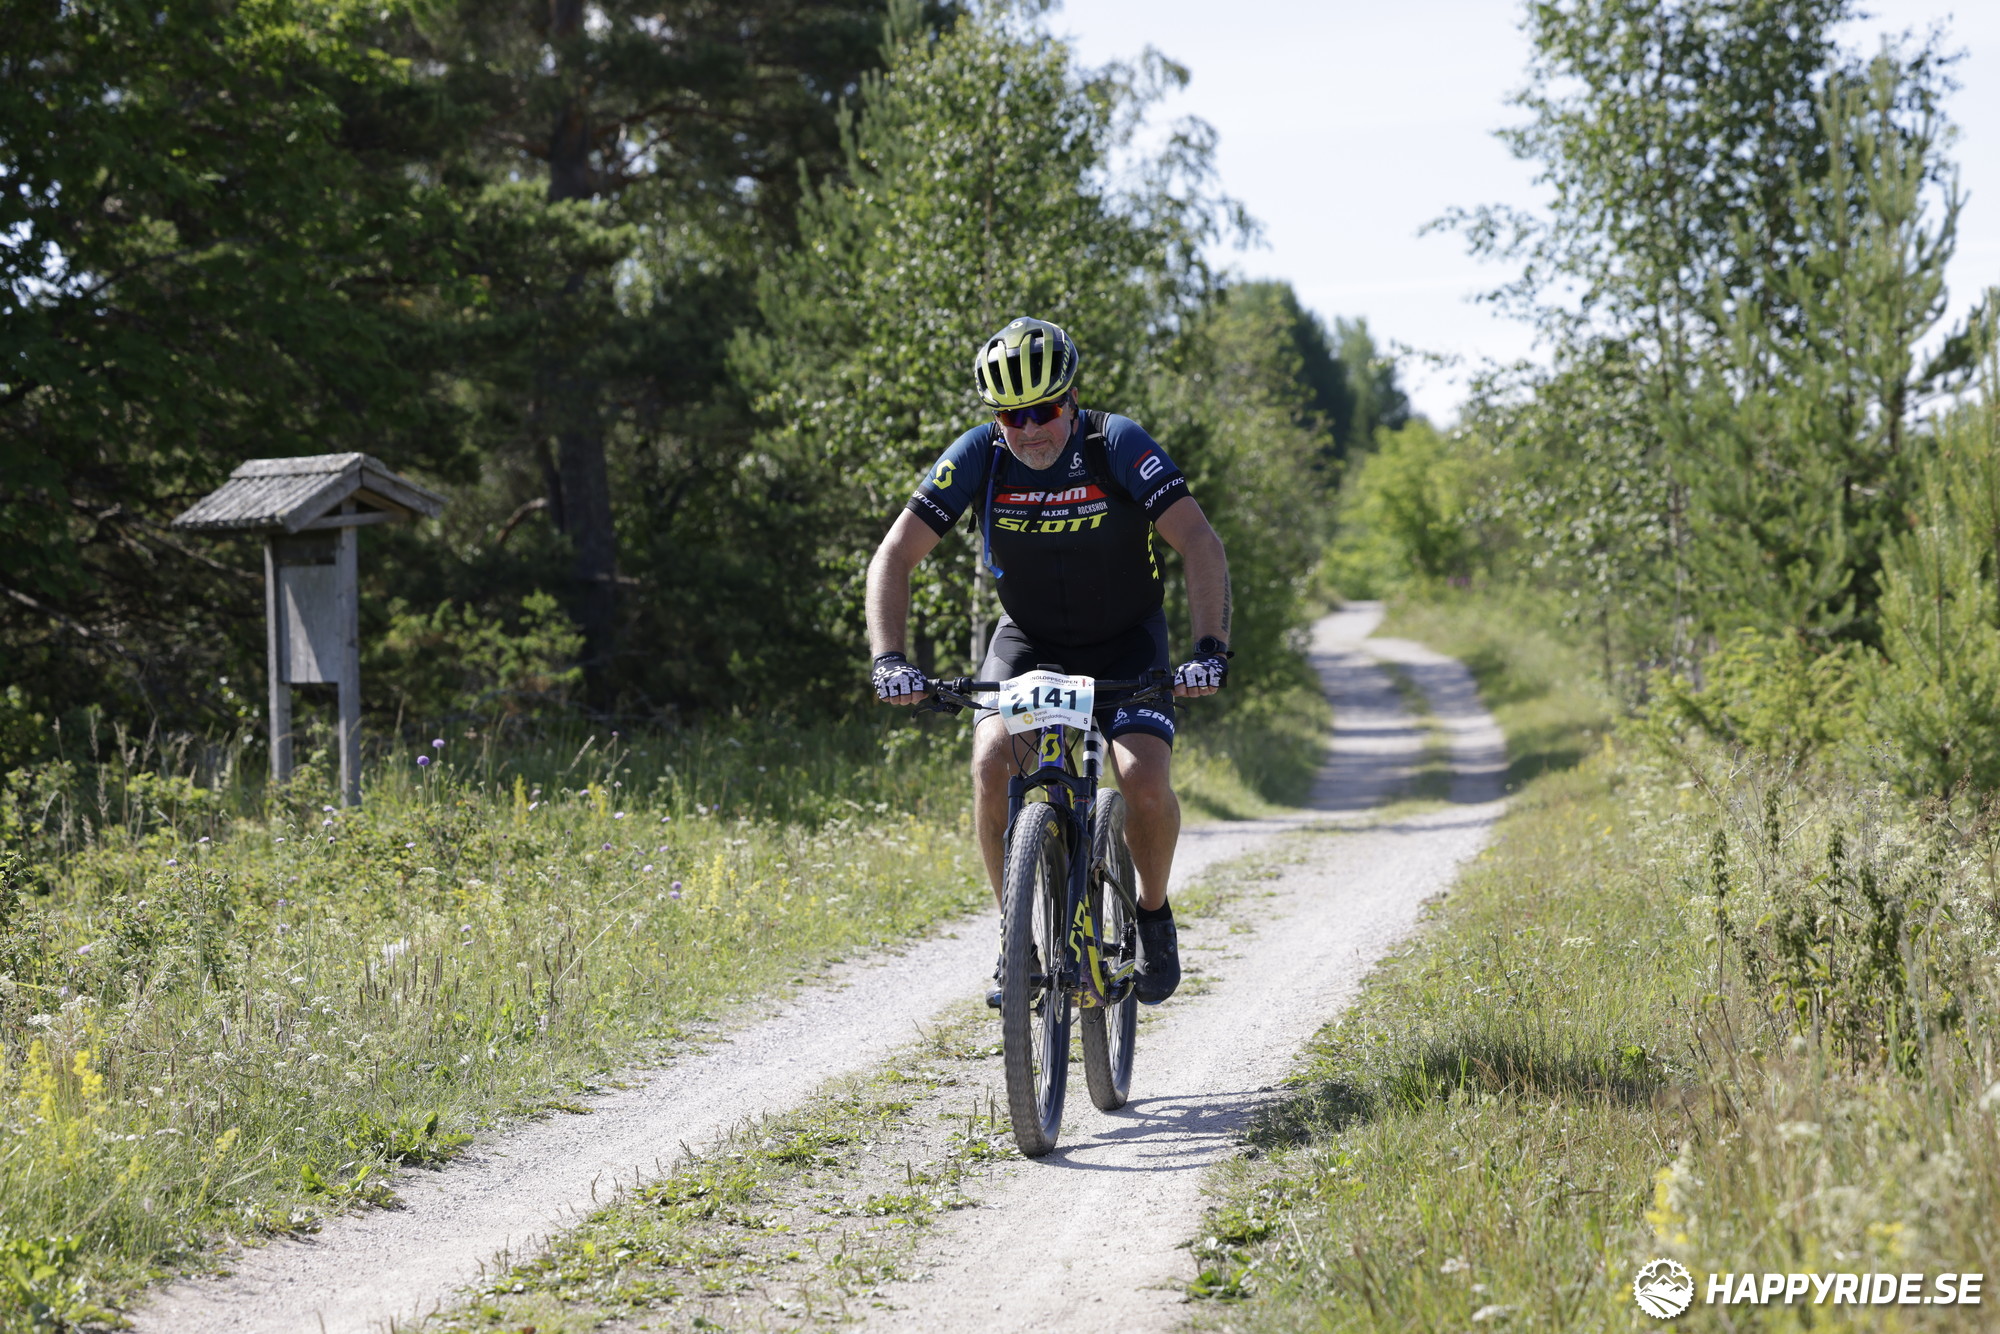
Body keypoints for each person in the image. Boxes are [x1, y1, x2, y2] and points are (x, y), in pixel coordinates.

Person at [864, 316, 1233, 1007]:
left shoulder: (1115, 443)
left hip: (1127, 639)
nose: (1030, 430)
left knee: (1143, 783)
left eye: (1045, 411)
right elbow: (894, 556)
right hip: (1030, 642)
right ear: (995, 418)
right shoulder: (980, 455)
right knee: (991, 763)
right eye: (1013, 416)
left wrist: (1209, 649)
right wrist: (889, 660)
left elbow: (1200, 542)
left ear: (1071, 400)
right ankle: (1017, 943)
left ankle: (1153, 913)